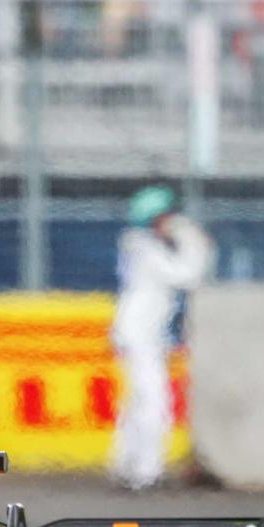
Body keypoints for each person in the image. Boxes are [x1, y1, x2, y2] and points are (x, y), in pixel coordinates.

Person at [110, 184, 211, 491]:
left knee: (138, 402)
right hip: (139, 334)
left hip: (142, 333)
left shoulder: (140, 244)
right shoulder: (143, 247)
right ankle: (146, 471)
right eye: (167, 216)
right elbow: (187, 275)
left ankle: (125, 465)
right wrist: (194, 241)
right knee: (155, 401)